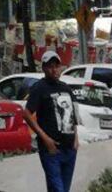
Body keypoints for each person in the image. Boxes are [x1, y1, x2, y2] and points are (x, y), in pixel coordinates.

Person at [24, 50, 78, 192]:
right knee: (57, 189)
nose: (54, 70)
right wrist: (45, 138)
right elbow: (27, 113)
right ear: (43, 68)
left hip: (69, 149)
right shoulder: (40, 88)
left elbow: (73, 116)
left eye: (56, 66)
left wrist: (76, 140)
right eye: (50, 66)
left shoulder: (66, 88)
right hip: (51, 150)